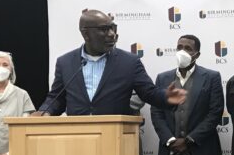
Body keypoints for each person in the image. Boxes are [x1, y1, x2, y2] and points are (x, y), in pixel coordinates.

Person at [35, 9, 185, 116]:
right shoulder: (65, 63)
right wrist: (45, 111)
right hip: (78, 139)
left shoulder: (130, 62)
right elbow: (56, 98)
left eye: (113, 28)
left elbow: (149, 93)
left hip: (115, 138)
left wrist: (166, 97)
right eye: (104, 30)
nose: (112, 34)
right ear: (85, 33)